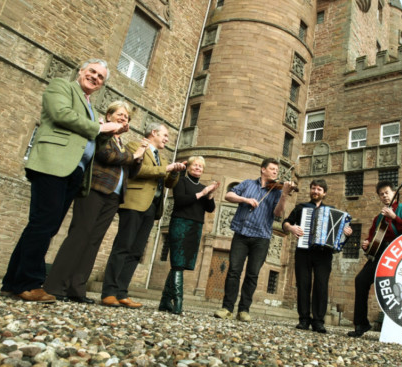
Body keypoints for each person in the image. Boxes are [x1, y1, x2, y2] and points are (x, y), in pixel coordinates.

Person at [1, 59, 125, 303]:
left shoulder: (90, 106)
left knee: (45, 225)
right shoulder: (62, 87)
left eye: (101, 77)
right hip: (53, 163)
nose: (95, 78)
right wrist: (100, 128)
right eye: (92, 72)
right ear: (81, 71)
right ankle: (29, 283)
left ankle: (12, 282)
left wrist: (110, 131)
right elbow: (61, 115)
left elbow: (91, 139)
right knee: (43, 223)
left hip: (74, 171)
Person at [43, 101, 149, 303]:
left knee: (94, 241)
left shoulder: (121, 144)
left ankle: (77, 288)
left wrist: (137, 159)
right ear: (108, 116)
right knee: (79, 235)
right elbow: (106, 155)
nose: (123, 118)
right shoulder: (103, 135)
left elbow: (131, 171)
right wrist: (131, 155)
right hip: (95, 190)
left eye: (126, 117)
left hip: (114, 196)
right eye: (119, 114)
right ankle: (55, 285)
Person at [100, 123, 186, 308]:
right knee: (123, 247)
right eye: (164, 135)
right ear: (153, 133)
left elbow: (169, 183)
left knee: (136, 251)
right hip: (134, 203)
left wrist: (175, 172)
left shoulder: (162, 159)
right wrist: (167, 169)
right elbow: (138, 170)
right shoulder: (135, 146)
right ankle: (108, 292)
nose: (166, 139)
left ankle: (122, 292)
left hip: (152, 207)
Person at [213, 158, 295, 322]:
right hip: (241, 234)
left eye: (277, 171)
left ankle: (244, 310)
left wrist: (284, 195)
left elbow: (278, 213)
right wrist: (245, 199)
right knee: (234, 271)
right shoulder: (247, 184)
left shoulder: (277, 191)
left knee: (252, 275)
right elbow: (229, 195)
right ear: (263, 169)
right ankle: (227, 308)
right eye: (272, 169)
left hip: (261, 238)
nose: (275, 172)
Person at [282, 179, 353, 333]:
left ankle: (318, 322)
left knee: (321, 286)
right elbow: (286, 223)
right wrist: (292, 228)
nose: (315, 191)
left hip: (324, 254)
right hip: (304, 251)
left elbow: (341, 234)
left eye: (319, 189)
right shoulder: (301, 208)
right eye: (313, 188)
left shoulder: (332, 210)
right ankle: (303, 319)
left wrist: (347, 233)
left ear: (324, 193)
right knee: (303, 284)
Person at [347, 181, 402, 338]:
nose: (384, 196)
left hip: (398, 254)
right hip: (380, 254)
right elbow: (372, 238)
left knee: (397, 288)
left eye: (387, 192)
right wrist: (366, 243)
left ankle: (400, 328)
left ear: (394, 193)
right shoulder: (378, 218)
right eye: (381, 194)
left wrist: (394, 217)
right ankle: (361, 324)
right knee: (361, 280)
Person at [159, 156, 219, 315]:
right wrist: (202, 193)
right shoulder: (181, 181)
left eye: (201, 166)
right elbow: (180, 201)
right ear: (189, 167)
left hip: (196, 226)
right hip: (180, 223)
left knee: (181, 264)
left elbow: (210, 208)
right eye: (195, 165)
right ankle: (178, 302)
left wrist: (210, 194)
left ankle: (165, 300)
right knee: (178, 263)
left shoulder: (203, 186)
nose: (198, 168)